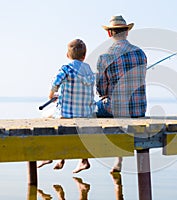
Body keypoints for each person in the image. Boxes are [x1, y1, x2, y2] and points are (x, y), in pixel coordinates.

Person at [96, 15, 147, 172]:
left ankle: (83, 160)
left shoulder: (104, 57)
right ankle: (118, 161)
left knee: (90, 109)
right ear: (127, 32)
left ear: (109, 34)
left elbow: (100, 89)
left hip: (116, 108)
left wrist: (105, 95)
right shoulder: (140, 54)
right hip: (138, 110)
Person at [38, 39, 95, 173]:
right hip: (86, 114)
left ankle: (49, 155)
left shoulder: (67, 68)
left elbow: (55, 83)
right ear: (84, 56)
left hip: (66, 114)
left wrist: (51, 95)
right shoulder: (89, 70)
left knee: (45, 117)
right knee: (77, 132)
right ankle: (83, 160)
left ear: (67, 55)